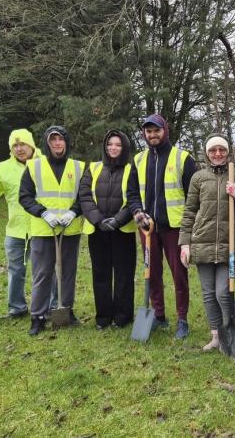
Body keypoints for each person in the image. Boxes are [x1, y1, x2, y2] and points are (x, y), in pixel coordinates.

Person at [128, 114, 197, 339]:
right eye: (148, 132)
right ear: (144, 135)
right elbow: (131, 193)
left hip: (174, 228)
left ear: (164, 131)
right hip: (147, 227)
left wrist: (189, 226)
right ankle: (158, 315)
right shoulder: (138, 160)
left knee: (179, 274)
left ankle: (182, 319)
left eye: (156, 130)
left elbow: (193, 195)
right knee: (152, 273)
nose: (152, 135)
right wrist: (138, 212)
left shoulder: (182, 158)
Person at [178, 134, 235, 351]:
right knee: (209, 293)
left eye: (221, 149)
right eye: (212, 150)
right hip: (202, 242)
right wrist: (185, 242)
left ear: (228, 151)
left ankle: (234, 333)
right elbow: (190, 210)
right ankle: (216, 335)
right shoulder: (198, 178)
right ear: (207, 153)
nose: (217, 153)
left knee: (223, 292)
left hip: (229, 244)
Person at [19, 125, 85, 336]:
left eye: (60, 139)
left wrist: (74, 212)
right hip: (43, 229)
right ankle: (38, 316)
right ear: (47, 143)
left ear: (66, 142)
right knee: (42, 274)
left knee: (67, 274)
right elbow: (25, 196)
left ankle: (66, 310)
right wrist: (42, 212)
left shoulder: (78, 167)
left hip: (69, 229)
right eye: (53, 140)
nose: (57, 143)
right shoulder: (33, 167)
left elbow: (85, 196)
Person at [0, 129, 39, 318]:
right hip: (16, 230)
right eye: (15, 145)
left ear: (31, 145)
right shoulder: (3, 168)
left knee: (43, 271)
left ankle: (47, 307)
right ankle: (17, 308)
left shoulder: (44, 164)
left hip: (41, 227)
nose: (20, 149)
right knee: (16, 271)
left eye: (23, 144)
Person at [78, 129, 137, 330]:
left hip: (123, 231)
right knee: (101, 275)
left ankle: (122, 317)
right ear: (105, 146)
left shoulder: (131, 169)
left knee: (124, 275)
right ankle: (103, 317)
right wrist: (98, 220)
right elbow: (84, 196)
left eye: (118, 145)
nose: (113, 148)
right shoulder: (93, 168)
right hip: (98, 232)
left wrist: (118, 220)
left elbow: (134, 199)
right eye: (110, 144)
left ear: (125, 148)